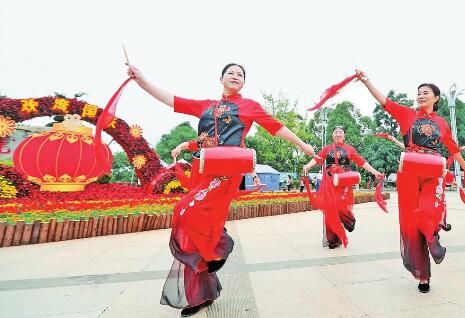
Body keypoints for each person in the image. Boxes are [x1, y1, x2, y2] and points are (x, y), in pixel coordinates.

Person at [128, 63, 314, 316]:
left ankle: (219, 249)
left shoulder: (250, 106)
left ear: (244, 83)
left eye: (240, 75)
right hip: (202, 170)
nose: (236, 77)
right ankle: (201, 295)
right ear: (221, 78)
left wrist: (303, 146)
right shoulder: (205, 106)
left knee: (184, 210)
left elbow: (276, 127)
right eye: (231, 73)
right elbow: (173, 100)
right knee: (194, 232)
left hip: (227, 170)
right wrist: (143, 81)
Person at [357, 69, 465, 293]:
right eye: (418, 93)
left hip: (433, 172)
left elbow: (454, 151)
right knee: (411, 225)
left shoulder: (441, 123)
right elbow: (383, 100)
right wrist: (367, 81)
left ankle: (433, 239)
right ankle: (423, 276)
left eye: (425, 93)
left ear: (436, 98)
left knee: (428, 211)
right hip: (408, 174)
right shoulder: (407, 114)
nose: (420, 96)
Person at [303, 126, 383, 249]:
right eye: (336, 132)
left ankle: (349, 220)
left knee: (340, 204)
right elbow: (317, 159)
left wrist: (374, 172)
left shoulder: (350, 149)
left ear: (344, 136)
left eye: (340, 132)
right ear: (332, 136)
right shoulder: (327, 149)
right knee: (330, 208)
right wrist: (308, 165)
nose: (338, 134)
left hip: (344, 181)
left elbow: (361, 161)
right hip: (330, 182)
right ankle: (333, 240)